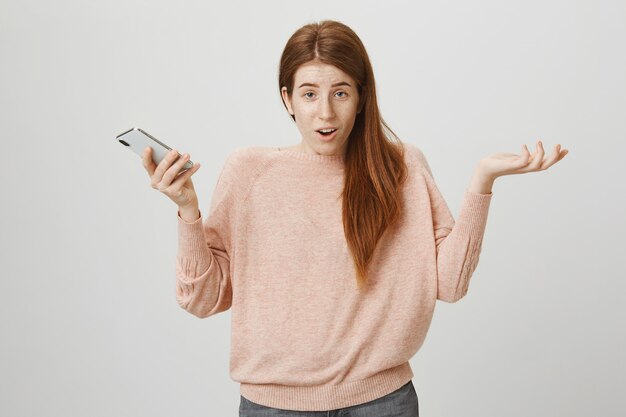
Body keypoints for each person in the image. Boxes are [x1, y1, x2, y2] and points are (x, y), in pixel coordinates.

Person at [141, 20, 568, 417]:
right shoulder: (249, 171)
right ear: (287, 99)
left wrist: (482, 181)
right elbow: (201, 299)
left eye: (340, 92)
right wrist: (188, 210)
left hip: (382, 403)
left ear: (361, 96)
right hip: (271, 407)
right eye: (309, 94)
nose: (325, 113)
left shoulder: (400, 167)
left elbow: (451, 283)